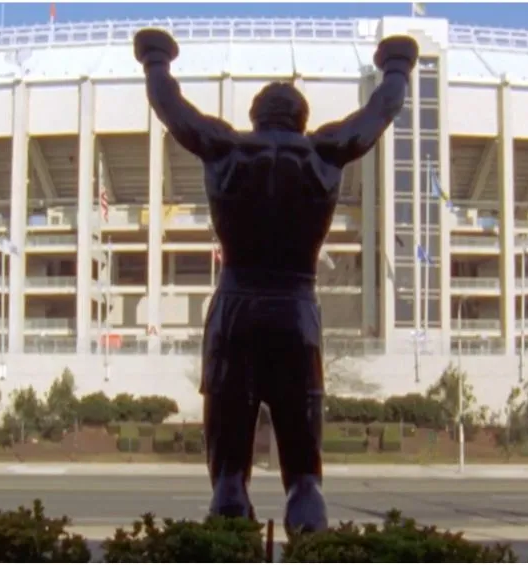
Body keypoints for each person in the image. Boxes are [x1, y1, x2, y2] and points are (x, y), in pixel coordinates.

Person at [134, 28, 418, 532]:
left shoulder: (225, 149)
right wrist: (396, 65)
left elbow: (168, 105)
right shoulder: (323, 154)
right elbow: (382, 110)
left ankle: (227, 548)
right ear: (303, 118)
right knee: (305, 480)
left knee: (227, 479)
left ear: (256, 116)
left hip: (235, 311)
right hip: (295, 313)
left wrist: (156, 59)